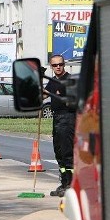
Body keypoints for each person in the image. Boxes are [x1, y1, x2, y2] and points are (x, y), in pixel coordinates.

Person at [45, 54, 75, 197]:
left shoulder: (69, 80)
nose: (58, 67)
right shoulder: (52, 81)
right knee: (59, 153)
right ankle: (63, 183)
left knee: (67, 152)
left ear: (64, 64)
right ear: (51, 67)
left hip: (67, 118)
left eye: (60, 64)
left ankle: (70, 184)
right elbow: (43, 95)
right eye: (54, 65)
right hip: (56, 118)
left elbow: (71, 100)